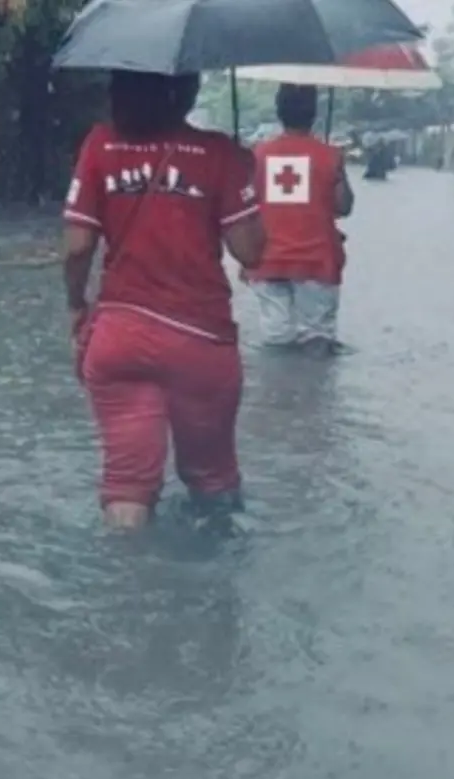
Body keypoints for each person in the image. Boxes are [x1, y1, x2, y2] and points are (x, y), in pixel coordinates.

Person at [63, 70, 265, 532]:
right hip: (200, 340)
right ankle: (216, 571)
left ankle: (126, 573)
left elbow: (76, 248)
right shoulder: (219, 153)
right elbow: (251, 252)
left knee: (126, 485)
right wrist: (245, 180)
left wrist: (76, 305)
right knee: (213, 481)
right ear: (188, 91)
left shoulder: (100, 144)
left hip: (119, 338)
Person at [247, 83, 354, 355]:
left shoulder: (258, 154)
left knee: (276, 341)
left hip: (267, 259)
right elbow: (343, 207)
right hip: (316, 261)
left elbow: (246, 206)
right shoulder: (330, 156)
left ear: (278, 111)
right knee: (318, 342)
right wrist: (338, 170)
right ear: (314, 113)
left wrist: (245, 259)